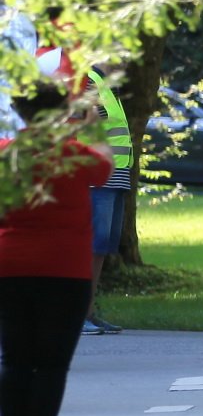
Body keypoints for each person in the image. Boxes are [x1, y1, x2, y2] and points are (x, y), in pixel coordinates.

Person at [0, 83, 112, 416]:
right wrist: (91, 126)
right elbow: (106, 167)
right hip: (64, 270)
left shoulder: (6, 154)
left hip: (9, 267)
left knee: (15, 360)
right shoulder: (73, 155)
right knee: (50, 365)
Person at [84, 66, 131, 335]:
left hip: (115, 176)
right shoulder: (88, 79)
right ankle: (79, 315)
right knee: (91, 247)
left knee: (101, 248)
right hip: (97, 176)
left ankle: (88, 312)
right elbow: (87, 121)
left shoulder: (107, 84)